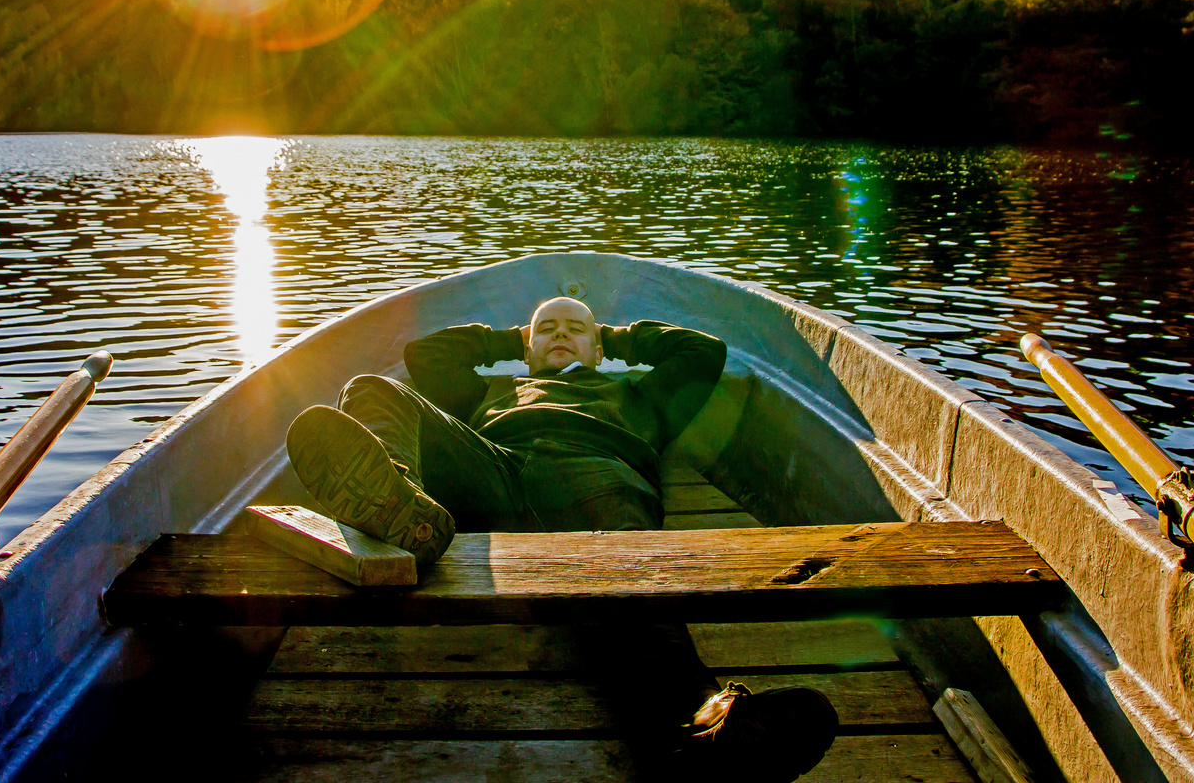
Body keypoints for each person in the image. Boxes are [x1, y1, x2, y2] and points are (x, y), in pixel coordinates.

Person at [286, 296, 838, 780]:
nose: (559, 334)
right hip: (496, 471)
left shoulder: (639, 397)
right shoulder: (498, 390)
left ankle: (701, 720)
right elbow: (426, 356)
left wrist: (617, 339)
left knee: (629, 575)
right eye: (545, 328)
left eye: (576, 328)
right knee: (371, 390)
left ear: (599, 349)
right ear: (526, 347)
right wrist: (511, 340)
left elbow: (702, 352)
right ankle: (401, 512)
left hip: (596, 473)